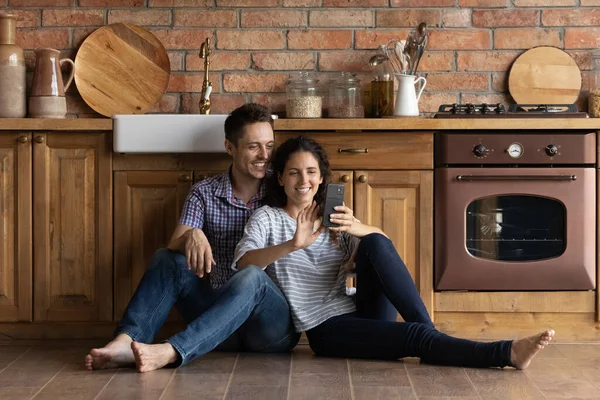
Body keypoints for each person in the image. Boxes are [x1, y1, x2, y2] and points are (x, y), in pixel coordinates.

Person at [232, 136, 555, 370]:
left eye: (312, 171)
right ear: (280, 177)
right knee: (414, 336)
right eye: (294, 172)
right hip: (326, 329)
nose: (304, 180)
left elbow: (382, 252)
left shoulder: (334, 217)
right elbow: (244, 263)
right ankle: (504, 353)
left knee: (375, 241)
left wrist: (359, 227)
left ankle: (429, 332)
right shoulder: (268, 218)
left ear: (321, 177)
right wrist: (293, 244)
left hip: (358, 308)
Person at [85, 103, 301, 373]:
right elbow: (175, 242)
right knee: (168, 258)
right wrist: (192, 235)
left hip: (269, 329)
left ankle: (171, 351)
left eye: (269, 146)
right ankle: (126, 342)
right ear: (230, 147)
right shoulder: (204, 192)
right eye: (253, 146)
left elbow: (315, 199)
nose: (264, 155)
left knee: (252, 276)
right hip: (216, 326)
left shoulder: (282, 187)